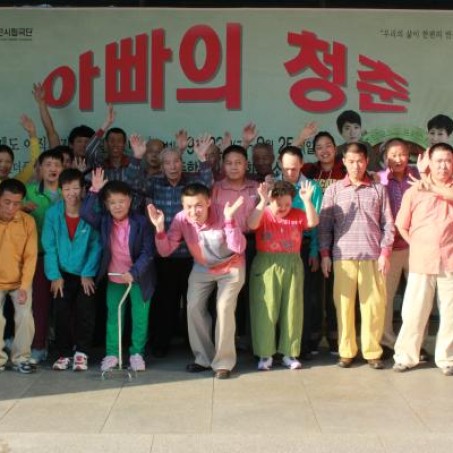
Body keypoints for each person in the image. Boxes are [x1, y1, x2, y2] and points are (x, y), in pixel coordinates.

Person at [148, 183, 246, 379]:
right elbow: (165, 251)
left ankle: (223, 363)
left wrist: (229, 220)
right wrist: (159, 228)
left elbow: (238, 247)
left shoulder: (223, 213)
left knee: (224, 307)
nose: (193, 211)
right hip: (203, 267)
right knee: (192, 306)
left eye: (199, 205)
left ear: (209, 202)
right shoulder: (181, 219)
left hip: (231, 266)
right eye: (188, 206)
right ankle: (204, 358)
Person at [126, 133, 213, 358]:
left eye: (176, 162)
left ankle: (193, 345)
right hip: (164, 254)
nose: (173, 166)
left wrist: (203, 159)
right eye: (167, 163)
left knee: (194, 302)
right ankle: (160, 344)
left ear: (182, 163)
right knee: (165, 302)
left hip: (192, 254)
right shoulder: (155, 183)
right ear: (161, 166)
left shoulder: (191, 182)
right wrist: (136, 158)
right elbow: (132, 185)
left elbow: (208, 185)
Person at [319, 142, 394, 369]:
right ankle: (346, 352)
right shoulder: (334, 190)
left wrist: (385, 252)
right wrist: (325, 254)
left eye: (360, 161)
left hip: (373, 256)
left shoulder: (378, 189)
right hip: (343, 257)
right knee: (343, 307)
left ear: (367, 161)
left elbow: (388, 224)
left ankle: (372, 352)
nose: (356, 166)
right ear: (343, 162)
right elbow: (325, 227)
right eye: (351, 161)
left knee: (373, 307)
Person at [81, 169, 155, 372]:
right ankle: (112, 354)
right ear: (106, 204)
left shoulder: (141, 222)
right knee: (114, 316)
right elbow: (85, 213)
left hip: (138, 278)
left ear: (130, 201)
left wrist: (134, 272)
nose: (117, 206)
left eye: (122, 201)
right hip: (114, 278)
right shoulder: (105, 220)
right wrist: (94, 190)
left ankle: (137, 353)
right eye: (112, 202)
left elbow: (148, 252)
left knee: (139, 318)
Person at [393, 143, 453, 376]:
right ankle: (406, 357)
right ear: (430, 163)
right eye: (438, 161)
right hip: (422, 260)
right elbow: (401, 224)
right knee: (414, 311)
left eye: (448, 161)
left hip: (450, 260)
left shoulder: (433, 187)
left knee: (450, 313)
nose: (443, 166)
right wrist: (416, 244)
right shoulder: (415, 191)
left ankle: (447, 358)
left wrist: (431, 185)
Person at [247, 180, 319, 371]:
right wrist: (263, 201)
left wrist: (307, 201)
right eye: (279, 204)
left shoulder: (298, 214)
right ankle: (265, 354)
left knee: (292, 309)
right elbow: (251, 224)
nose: (284, 208)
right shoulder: (263, 213)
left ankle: (289, 353)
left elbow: (313, 222)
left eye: (288, 204)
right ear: (271, 199)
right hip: (266, 263)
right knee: (265, 309)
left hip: (292, 263)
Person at [41, 169, 102, 371]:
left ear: (83, 189)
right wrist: (54, 275)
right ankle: (64, 353)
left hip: (86, 273)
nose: (71, 193)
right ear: (61, 190)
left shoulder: (92, 212)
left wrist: (88, 272)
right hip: (61, 273)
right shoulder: (53, 213)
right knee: (61, 313)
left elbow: (96, 245)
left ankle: (82, 353)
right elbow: (49, 246)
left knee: (86, 313)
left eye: (76, 188)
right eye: (66, 189)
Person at [302, 131, 346, 355]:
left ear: (335, 148)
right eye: (319, 147)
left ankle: (335, 337)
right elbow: (287, 166)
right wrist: (300, 139)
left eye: (328, 146)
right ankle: (313, 336)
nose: (324, 150)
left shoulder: (345, 169)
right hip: (313, 238)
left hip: (339, 239)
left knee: (335, 292)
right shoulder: (309, 171)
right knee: (313, 292)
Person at [277, 145, 323, 358]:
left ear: (302, 165)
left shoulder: (311, 187)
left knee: (301, 298)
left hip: (302, 247)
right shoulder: (272, 185)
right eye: (286, 168)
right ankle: (276, 347)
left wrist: (314, 251)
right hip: (276, 248)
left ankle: (300, 346)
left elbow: (317, 222)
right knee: (278, 299)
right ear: (280, 165)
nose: (290, 173)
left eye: (294, 168)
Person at [378, 139, 419, 357]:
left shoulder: (418, 176)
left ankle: (415, 343)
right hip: (390, 248)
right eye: (393, 155)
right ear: (385, 157)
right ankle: (387, 341)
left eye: (402, 154)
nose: (398, 159)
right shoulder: (381, 178)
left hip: (416, 247)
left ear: (408, 154)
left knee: (417, 298)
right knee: (385, 298)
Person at [25, 149, 64, 364]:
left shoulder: (69, 192)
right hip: (38, 256)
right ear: (39, 168)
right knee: (39, 305)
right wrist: (22, 209)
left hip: (65, 259)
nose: (52, 169)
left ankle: (66, 348)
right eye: (48, 164)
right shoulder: (29, 191)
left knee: (65, 305)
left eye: (57, 165)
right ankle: (38, 346)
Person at [0, 178, 37, 373]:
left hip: (19, 280)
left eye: (16, 203)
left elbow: (31, 257)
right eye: (6, 202)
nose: (11, 208)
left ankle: (22, 358)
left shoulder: (27, 221)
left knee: (25, 316)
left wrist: (24, 286)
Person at [0, 115, 40, 184]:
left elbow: (35, 162)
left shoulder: (16, 183)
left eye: (8, 162)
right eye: (0, 161)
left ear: (12, 164)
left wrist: (32, 133)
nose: (3, 165)